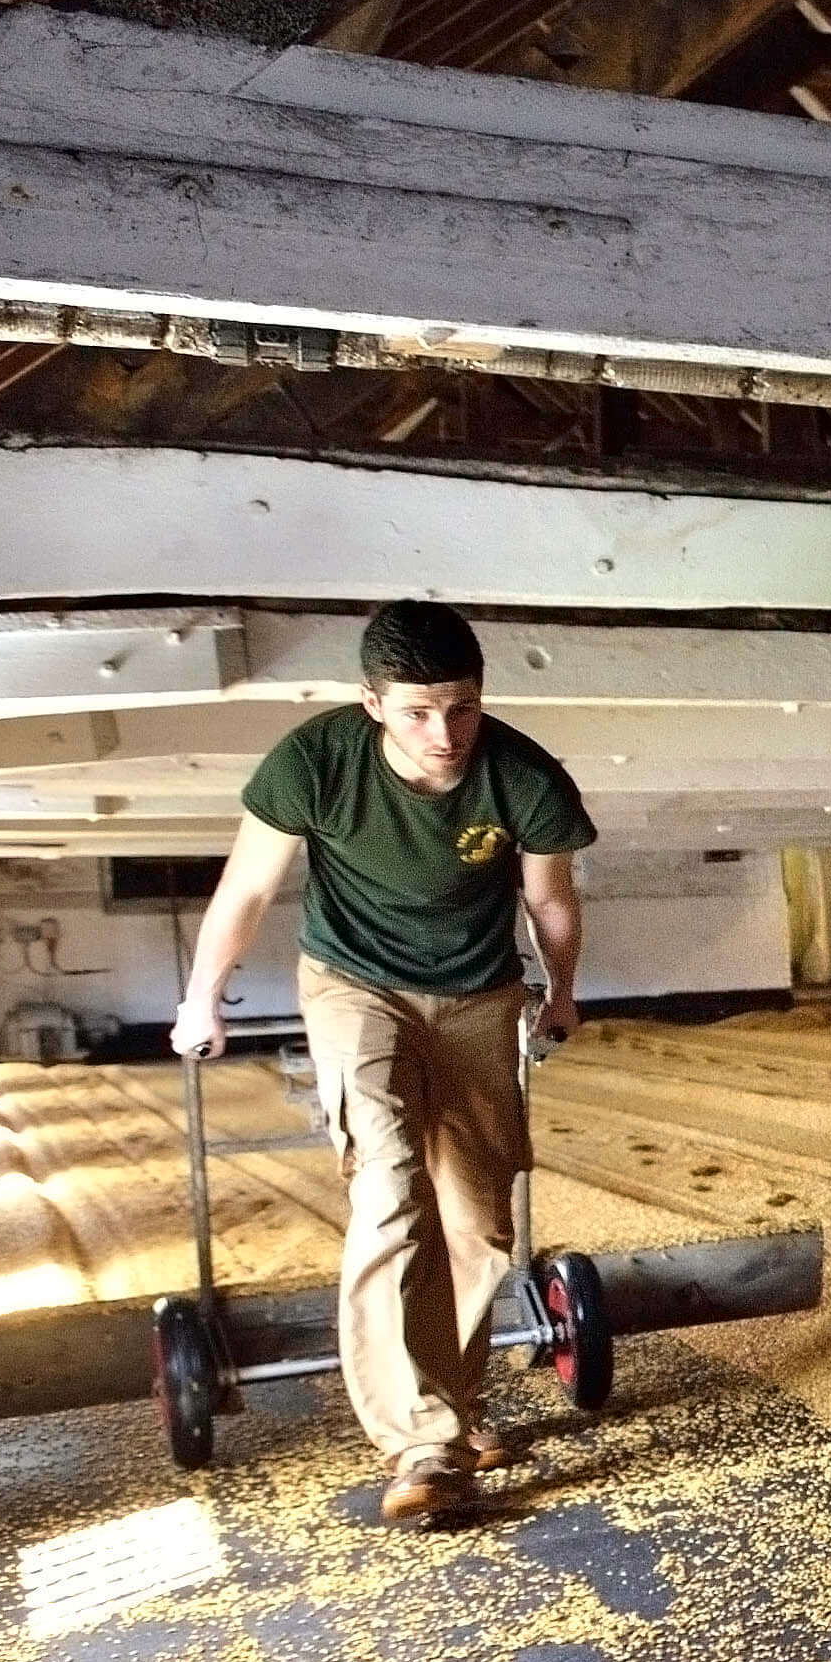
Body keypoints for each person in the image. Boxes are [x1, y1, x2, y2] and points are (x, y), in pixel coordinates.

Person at [173, 603, 597, 1524]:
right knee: (392, 1186)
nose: (444, 734)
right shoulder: (314, 762)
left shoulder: (525, 777)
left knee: (479, 1219)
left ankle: (456, 1400)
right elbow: (248, 887)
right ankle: (422, 1442)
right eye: (416, 712)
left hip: (481, 995)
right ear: (371, 702)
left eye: (462, 708)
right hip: (353, 986)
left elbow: (550, 901)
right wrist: (202, 998)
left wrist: (559, 990)